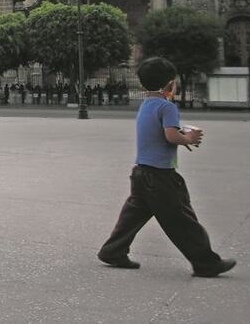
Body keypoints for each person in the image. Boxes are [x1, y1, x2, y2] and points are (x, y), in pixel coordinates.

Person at [97, 57, 236, 277]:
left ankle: (112, 250)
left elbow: (159, 134)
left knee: (132, 215)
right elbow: (170, 136)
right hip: (160, 176)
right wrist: (188, 138)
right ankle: (206, 263)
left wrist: (181, 137)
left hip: (141, 172)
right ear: (170, 84)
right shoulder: (167, 106)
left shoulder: (146, 105)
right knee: (181, 219)